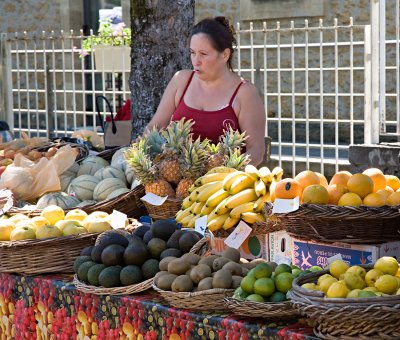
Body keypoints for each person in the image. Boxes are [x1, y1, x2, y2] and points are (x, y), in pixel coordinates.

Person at [146, 16, 266, 166]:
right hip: (176, 180)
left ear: (225, 55)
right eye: (192, 53)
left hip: (223, 184)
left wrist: (226, 173)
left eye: (203, 54)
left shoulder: (245, 93)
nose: (196, 61)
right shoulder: (181, 80)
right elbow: (153, 128)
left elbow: (256, 150)